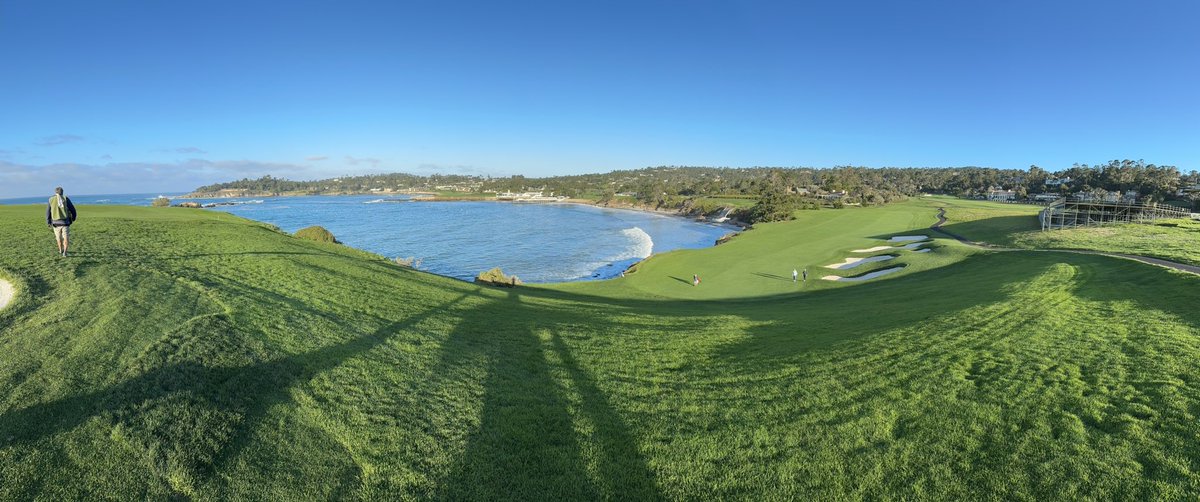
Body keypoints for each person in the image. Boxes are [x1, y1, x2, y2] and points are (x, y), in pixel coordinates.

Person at [46, 186, 77, 257]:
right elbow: (72, 209)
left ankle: (60, 250)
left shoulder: (51, 199)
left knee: (58, 238)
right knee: (66, 238)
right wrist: (74, 217)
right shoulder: (66, 199)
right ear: (62, 192)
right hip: (65, 222)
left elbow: (48, 212)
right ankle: (65, 252)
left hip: (55, 223)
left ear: (55, 192)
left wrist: (48, 221)